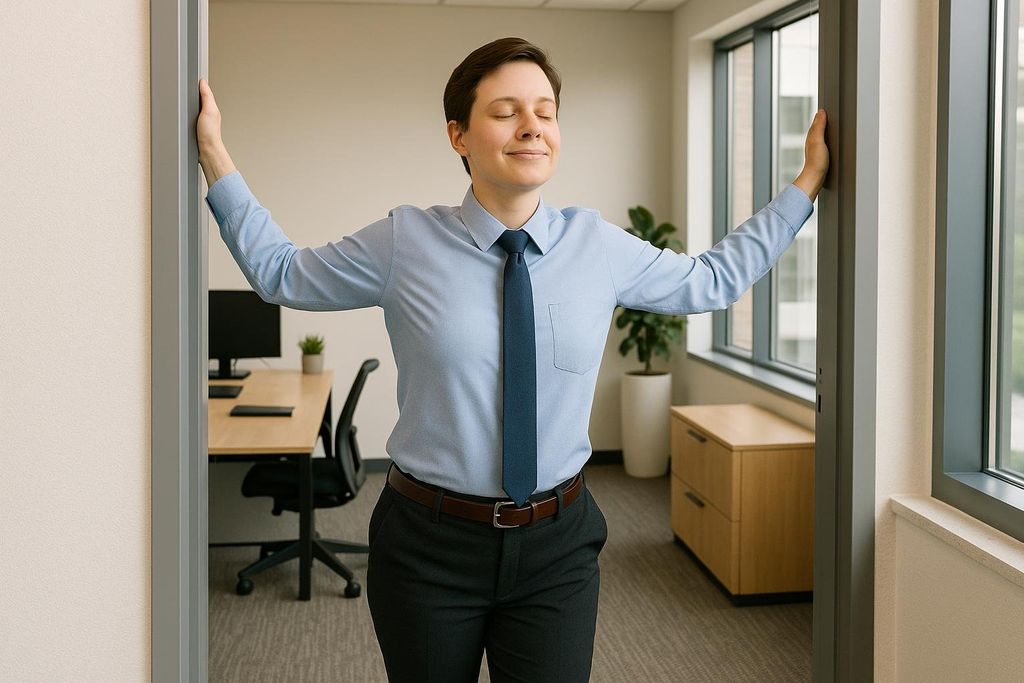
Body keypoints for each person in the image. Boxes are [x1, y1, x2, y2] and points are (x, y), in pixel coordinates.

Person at [197, 36, 828, 683]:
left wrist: (806, 182)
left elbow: (713, 280)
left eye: (545, 112)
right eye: (506, 112)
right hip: (428, 545)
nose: (531, 126)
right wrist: (213, 151)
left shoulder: (597, 245)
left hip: (558, 544)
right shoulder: (406, 241)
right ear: (459, 135)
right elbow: (282, 273)